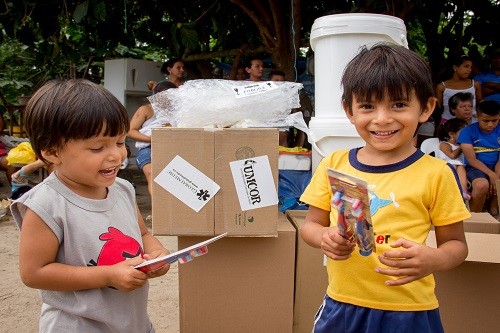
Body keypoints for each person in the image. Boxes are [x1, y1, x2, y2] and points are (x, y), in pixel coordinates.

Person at [299, 43, 469, 333]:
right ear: (349, 110)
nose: (382, 118)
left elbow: (456, 245)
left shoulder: (436, 173)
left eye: (399, 105)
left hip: (409, 311)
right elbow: (310, 225)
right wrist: (325, 237)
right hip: (342, 306)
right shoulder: (334, 164)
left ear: (426, 108)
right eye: (367, 106)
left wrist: (435, 259)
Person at [10, 79, 171, 332]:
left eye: (119, 143)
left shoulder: (123, 189)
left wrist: (158, 254)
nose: (117, 155)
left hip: (132, 323)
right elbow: (34, 273)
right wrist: (108, 275)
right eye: (98, 147)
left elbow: (141, 233)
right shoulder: (46, 204)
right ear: (52, 152)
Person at [128, 80, 177, 195]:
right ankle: (157, 210)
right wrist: (153, 138)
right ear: (157, 96)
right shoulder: (146, 109)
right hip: (147, 148)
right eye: (164, 96)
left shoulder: (177, 112)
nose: (167, 99)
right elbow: (130, 131)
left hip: (171, 147)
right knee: (152, 172)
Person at [457, 99, 500, 215]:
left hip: (497, 166)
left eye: (495, 120)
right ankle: (475, 216)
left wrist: (496, 175)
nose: (490, 124)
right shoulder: (467, 132)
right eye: (486, 121)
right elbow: (471, 159)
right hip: (475, 168)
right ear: (477, 117)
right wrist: (491, 174)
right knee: (481, 185)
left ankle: (494, 207)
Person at [435, 55, 482, 124]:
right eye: (466, 66)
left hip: (472, 122)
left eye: (470, 67)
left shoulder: (475, 84)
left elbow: (480, 104)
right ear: (455, 67)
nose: (470, 70)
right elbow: (437, 108)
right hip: (448, 122)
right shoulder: (442, 86)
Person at [436, 118, 470, 200]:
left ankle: (463, 190)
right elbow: (452, 155)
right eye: (464, 133)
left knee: (460, 165)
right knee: (455, 163)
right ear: (451, 134)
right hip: (446, 167)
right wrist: (462, 145)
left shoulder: (464, 145)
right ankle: (455, 189)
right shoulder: (444, 144)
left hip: (461, 169)